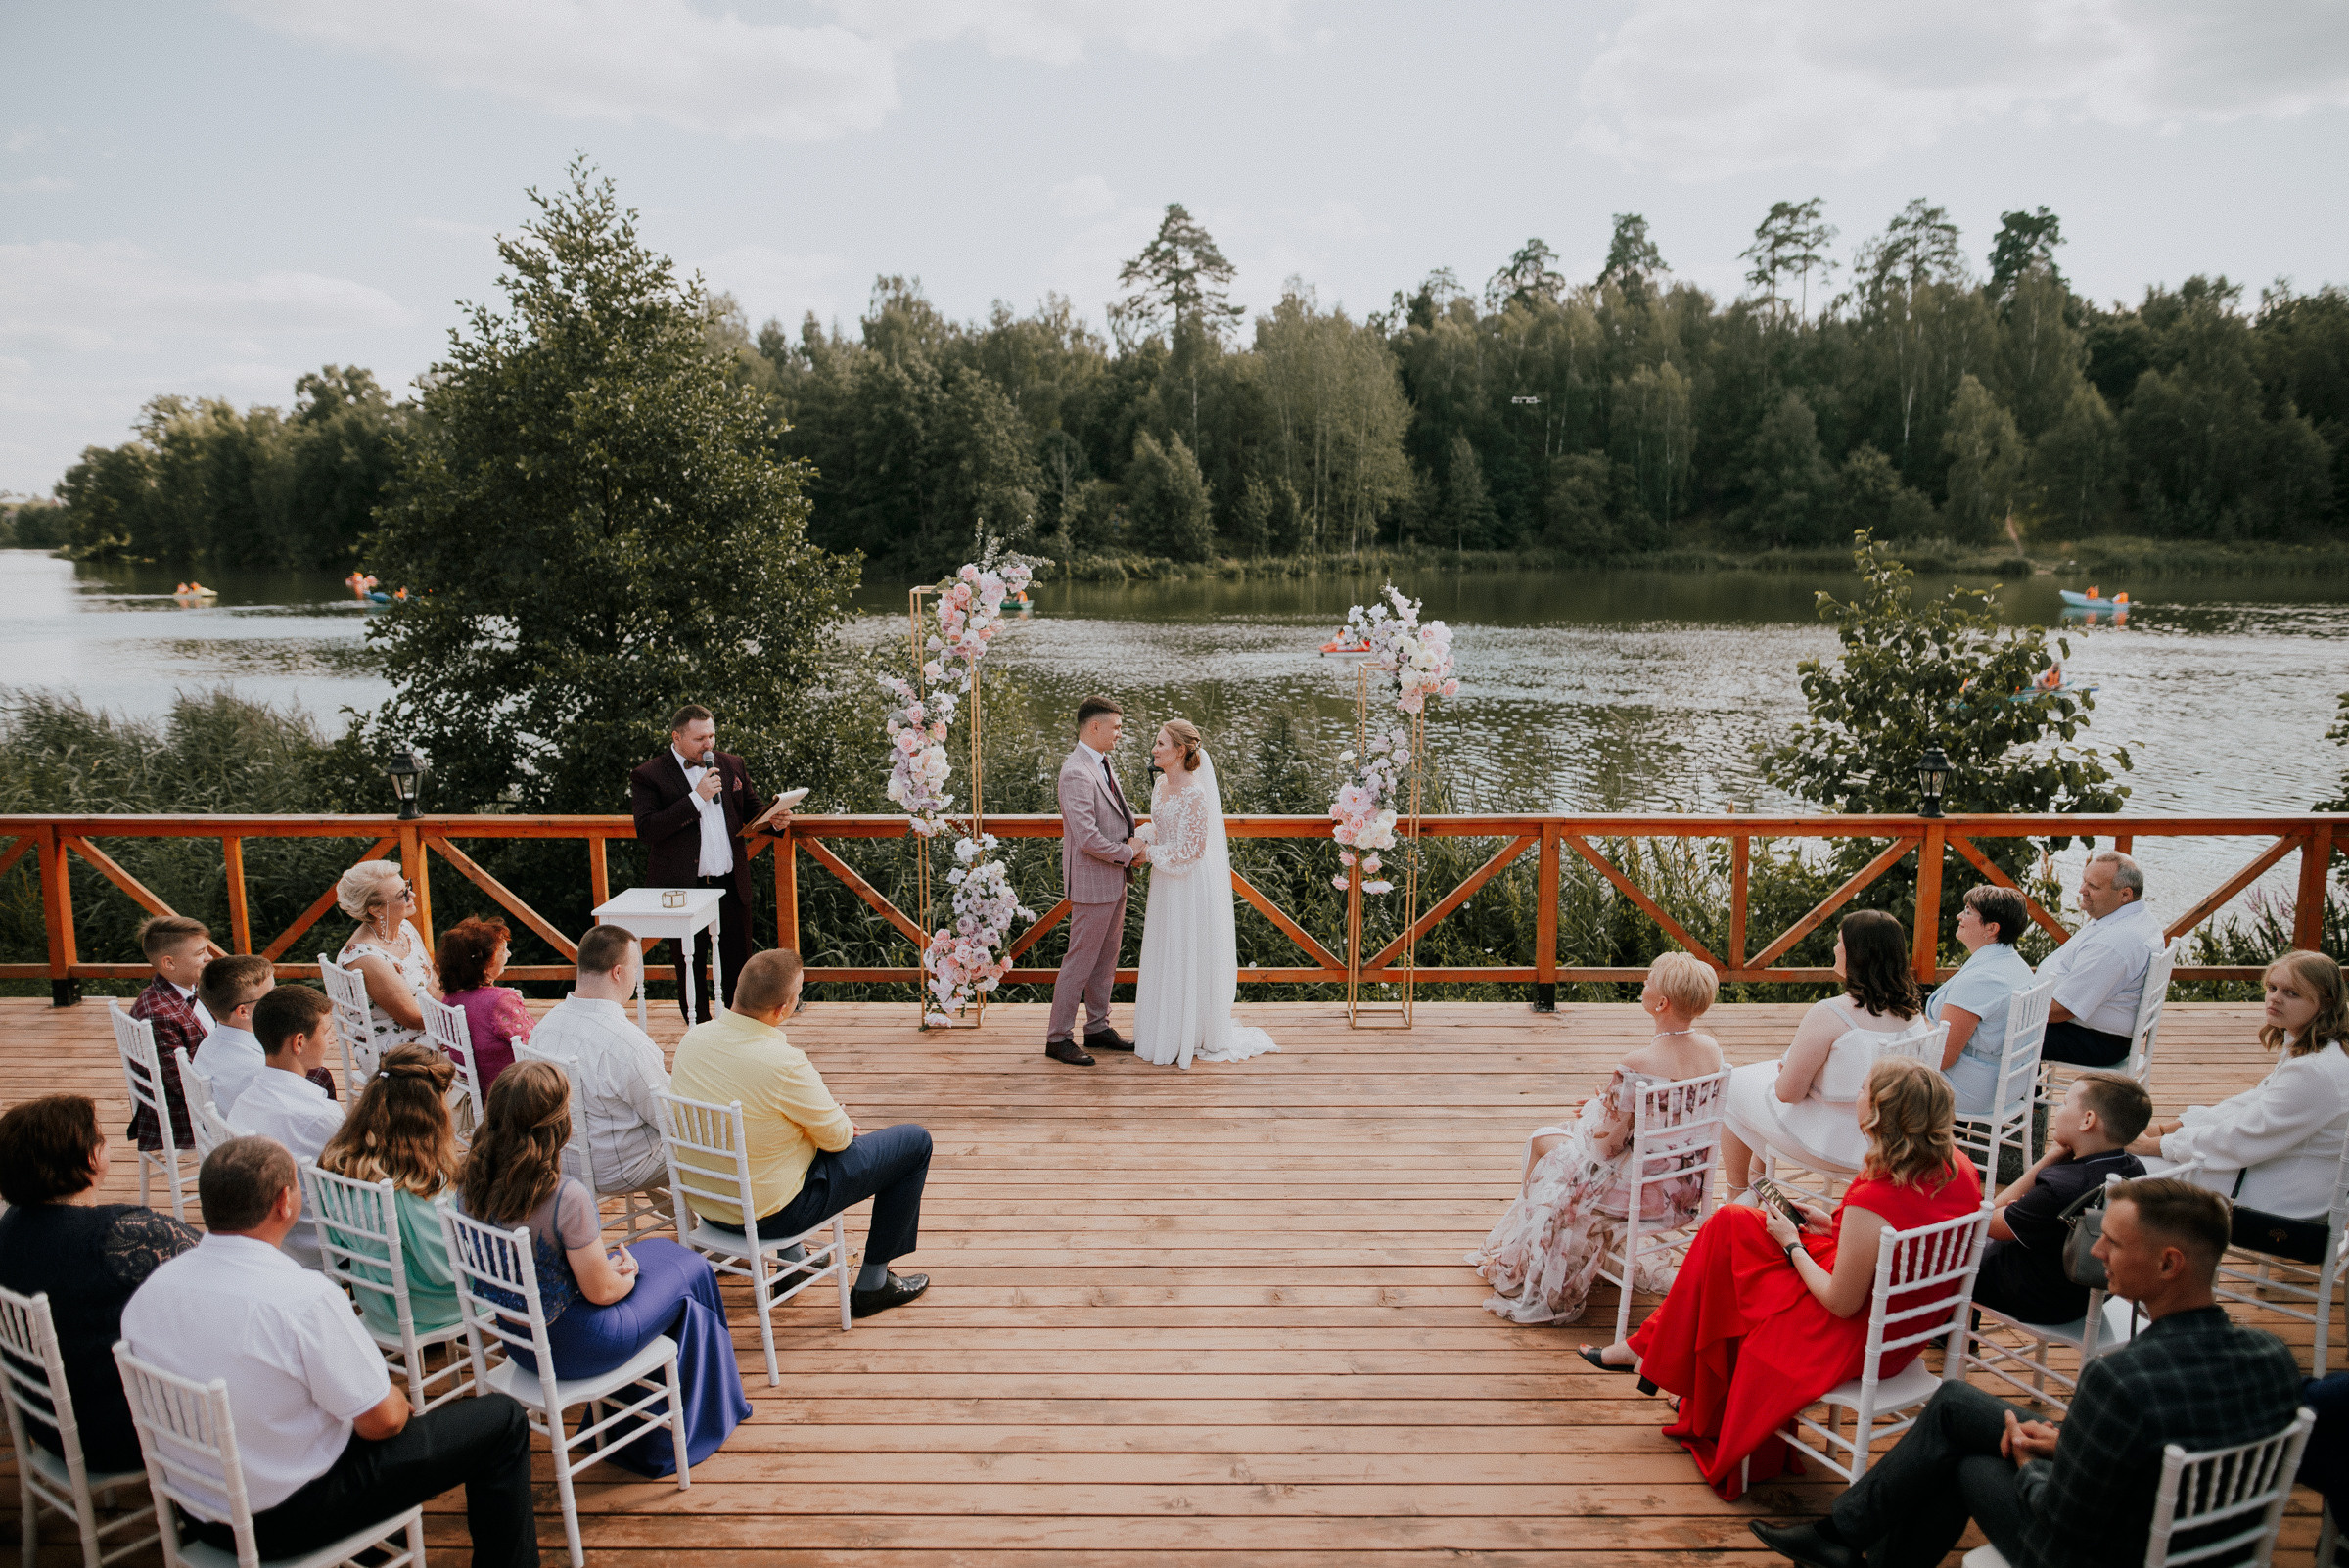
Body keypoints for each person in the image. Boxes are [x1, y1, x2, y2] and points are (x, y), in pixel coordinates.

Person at [1748, 1178, 2304, 1568]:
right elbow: (2180, 1444)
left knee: (1963, 1461)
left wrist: (2030, 1460)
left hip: (2102, 1554)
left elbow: (2059, 1527)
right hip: (2202, 1534)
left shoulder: (2121, 1383)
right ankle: (1838, 1538)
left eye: (2113, 1239)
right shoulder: (2273, 1355)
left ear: (2168, 1264)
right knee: (1956, 1402)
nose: (2098, 1250)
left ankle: (1848, 1543)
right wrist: (2069, 1444)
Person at [121, 1137, 538, 1567]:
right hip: (290, 1516)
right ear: (284, 1202)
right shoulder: (303, 1298)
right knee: (500, 1420)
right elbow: (384, 1423)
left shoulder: (149, 1294)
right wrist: (390, 1403)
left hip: (198, 1510)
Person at [1583, 1057, 1982, 1499]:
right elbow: (1901, 1239)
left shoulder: (1876, 1195)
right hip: (1900, 1315)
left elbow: (1840, 1302)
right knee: (1731, 1223)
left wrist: (1792, 1243)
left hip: (1858, 1331)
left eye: (1864, 1087)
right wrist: (1833, 1224)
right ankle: (1649, 1349)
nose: (1857, 1093)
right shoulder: (1960, 1169)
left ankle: (1666, 1364)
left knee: (1737, 1260)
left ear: (1880, 1113)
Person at [453, 1063, 748, 1475]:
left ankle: (658, 1421)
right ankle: (696, 1420)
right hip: (581, 1345)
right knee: (692, 1269)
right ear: (558, 1125)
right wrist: (624, 1276)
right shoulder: (563, 1196)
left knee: (664, 1256)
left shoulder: (470, 1182)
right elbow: (602, 1294)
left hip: (520, 1344)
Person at [669, 947, 934, 1317]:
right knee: (914, 1143)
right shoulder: (783, 1063)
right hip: (771, 1216)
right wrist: (833, 1122)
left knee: (780, 1137)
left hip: (710, 1208)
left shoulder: (692, 1041)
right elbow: (839, 1139)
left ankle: (791, 1265)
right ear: (782, 1010)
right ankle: (873, 1283)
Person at [1468, 951, 1725, 1323]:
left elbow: (1607, 1146)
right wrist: (1602, 1105)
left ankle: (1524, 1259)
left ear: (1662, 1003)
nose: (1644, 984)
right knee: (1570, 1133)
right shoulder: (1711, 1051)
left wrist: (1596, 1116)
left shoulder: (1639, 1063)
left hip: (1639, 1189)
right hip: (1684, 1187)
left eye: (1649, 980)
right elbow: (1670, 1115)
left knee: (1543, 1140)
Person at [0, 1094, 199, 1473]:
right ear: (92, 1158)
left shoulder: (8, 1229)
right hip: (122, 1429)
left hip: (46, 1421)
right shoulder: (120, 1234)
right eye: (101, 1138)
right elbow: (218, 1265)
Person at [2131, 948, 2349, 1218]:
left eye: (2291, 993)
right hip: (2277, 1174)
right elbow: (2254, 1103)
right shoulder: (2319, 1048)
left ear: (2325, 1003)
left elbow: (2242, 1138)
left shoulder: (2314, 1071)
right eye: (2272, 987)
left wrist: (2153, 1146)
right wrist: (2166, 1129)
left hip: (2279, 1200)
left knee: (2122, 1170)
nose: (2275, 999)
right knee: (2122, 1159)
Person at [1717, 910, 1924, 1191]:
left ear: (1856, 954)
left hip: (1831, 1143)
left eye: (1840, 942)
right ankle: (1758, 1180)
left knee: (1731, 1086)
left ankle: (1738, 1191)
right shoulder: (1914, 1014)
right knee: (1761, 1081)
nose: (1835, 948)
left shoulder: (1831, 1013)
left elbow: (1787, 1094)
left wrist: (1794, 1073)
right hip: (1894, 1140)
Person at [628, 703, 792, 1025]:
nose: (709, 744)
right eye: (700, 738)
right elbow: (647, 830)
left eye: (712, 735)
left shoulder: (731, 765)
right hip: (683, 889)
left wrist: (777, 820)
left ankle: (738, 1031)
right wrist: (696, 797)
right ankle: (698, 1033)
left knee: (739, 966)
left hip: (730, 884)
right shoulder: (649, 774)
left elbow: (752, 811)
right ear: (677, 737)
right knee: (689, 965)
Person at [1130, 718, 1279, 1069]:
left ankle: (1190, 1032)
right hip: (1165, 883)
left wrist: (1147, 853)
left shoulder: (1196, 792)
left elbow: (1190, 851)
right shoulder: (1161, 786)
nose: (1154, 749)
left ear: (1180, 751)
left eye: (1161, 744)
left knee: (1186, 950)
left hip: (1187, 884)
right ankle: (1165, 1029)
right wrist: (1143, 835)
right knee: (1167, 949)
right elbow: (1164, 825)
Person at [1972, 1072, 2149, 1324]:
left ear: (2087, 1120)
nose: (2059, 1108)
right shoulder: (2134, 1169)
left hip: (2038, 1298)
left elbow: (1985, 1221)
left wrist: (2046, 1161)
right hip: (2088, 1294)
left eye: (2065, 1103)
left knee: (1948, 1244)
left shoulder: (2061, 1186)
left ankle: (1949, 1334)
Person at [315, 1043, 463, 1338]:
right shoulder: (413, 1182)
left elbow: (337, 1242)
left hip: (375, 1304)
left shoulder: (340, 1159)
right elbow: (446, 1269)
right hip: (426, 1309)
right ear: (430, 1111)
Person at [529, 924, 674, 1201]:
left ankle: (682, 1223)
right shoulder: (629, 1044)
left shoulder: (543, 1028)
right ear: (618, 972)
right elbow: (672, 1119)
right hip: (615, 1169)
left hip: (558, 1159)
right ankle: (701, 1232)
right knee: (705, 1144)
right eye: (635, 970)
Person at [1045, 694, 1146, 1066]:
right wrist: (1129, 852)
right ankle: (1057, 1037)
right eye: (1116, 727)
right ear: (1095, 727)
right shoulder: (1075, 770)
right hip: (1093, 881)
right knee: (1080, 960)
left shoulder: (1101, 763)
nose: (1120, 733)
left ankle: (1098, 1026)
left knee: (1106, 959)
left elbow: (1115, 817)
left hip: (1114, 880)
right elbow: (1087, 837)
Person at [229, 985, 346, 1268]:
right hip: (318, 1247)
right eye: (326, 1031)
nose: (330, 1040)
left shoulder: (244, 1100)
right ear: (299, 1042)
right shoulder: (319, 1114)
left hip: (269, 1237)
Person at [2036, 850, 2164, 1067]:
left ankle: (2025, 1101)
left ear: (2125, 894)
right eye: (2084, 881)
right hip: (2094, 1030)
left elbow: (2061, 1010)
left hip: (2098, 1040)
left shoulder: (2116, 943)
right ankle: (2028, 1098)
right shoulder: (2133, 917)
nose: (2081, 890)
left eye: (2093, 886)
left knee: (1996, 1033)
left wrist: (2007, 1008)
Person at [1927, 884, 2038, 1116]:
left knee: (1870, 1073)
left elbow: (1943, 1057)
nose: (1959, 916)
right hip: (2009, 1083)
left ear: (1991, 928)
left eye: (1967, 911)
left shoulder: (1981, 979)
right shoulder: (2017, 965)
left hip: (1974, 1090)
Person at [334, 859, 438, 1061]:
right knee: (488, 1044)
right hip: (394, 1049)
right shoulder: (367, 958)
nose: (412, 895)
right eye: (403, 895)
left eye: (407, 886)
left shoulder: (404, 928)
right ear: (375, 910)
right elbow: (413, 1018)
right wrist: (464, 1017)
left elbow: (434, 982)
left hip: (425, 1028)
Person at [125, 913, 212, 1156]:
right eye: (199, 953)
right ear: (169, 964)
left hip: (199, 1091)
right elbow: (183, 1085)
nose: (209, 957)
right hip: (183, 1118)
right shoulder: (159, 1014)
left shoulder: (190, 988)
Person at [438, 914, 532, 1092]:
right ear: (485, 964)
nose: (509, 954)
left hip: (476, 1088)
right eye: (503, 951)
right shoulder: (500, 1001)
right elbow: (534, 1044)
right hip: (511, 1092)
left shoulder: (450, 998)